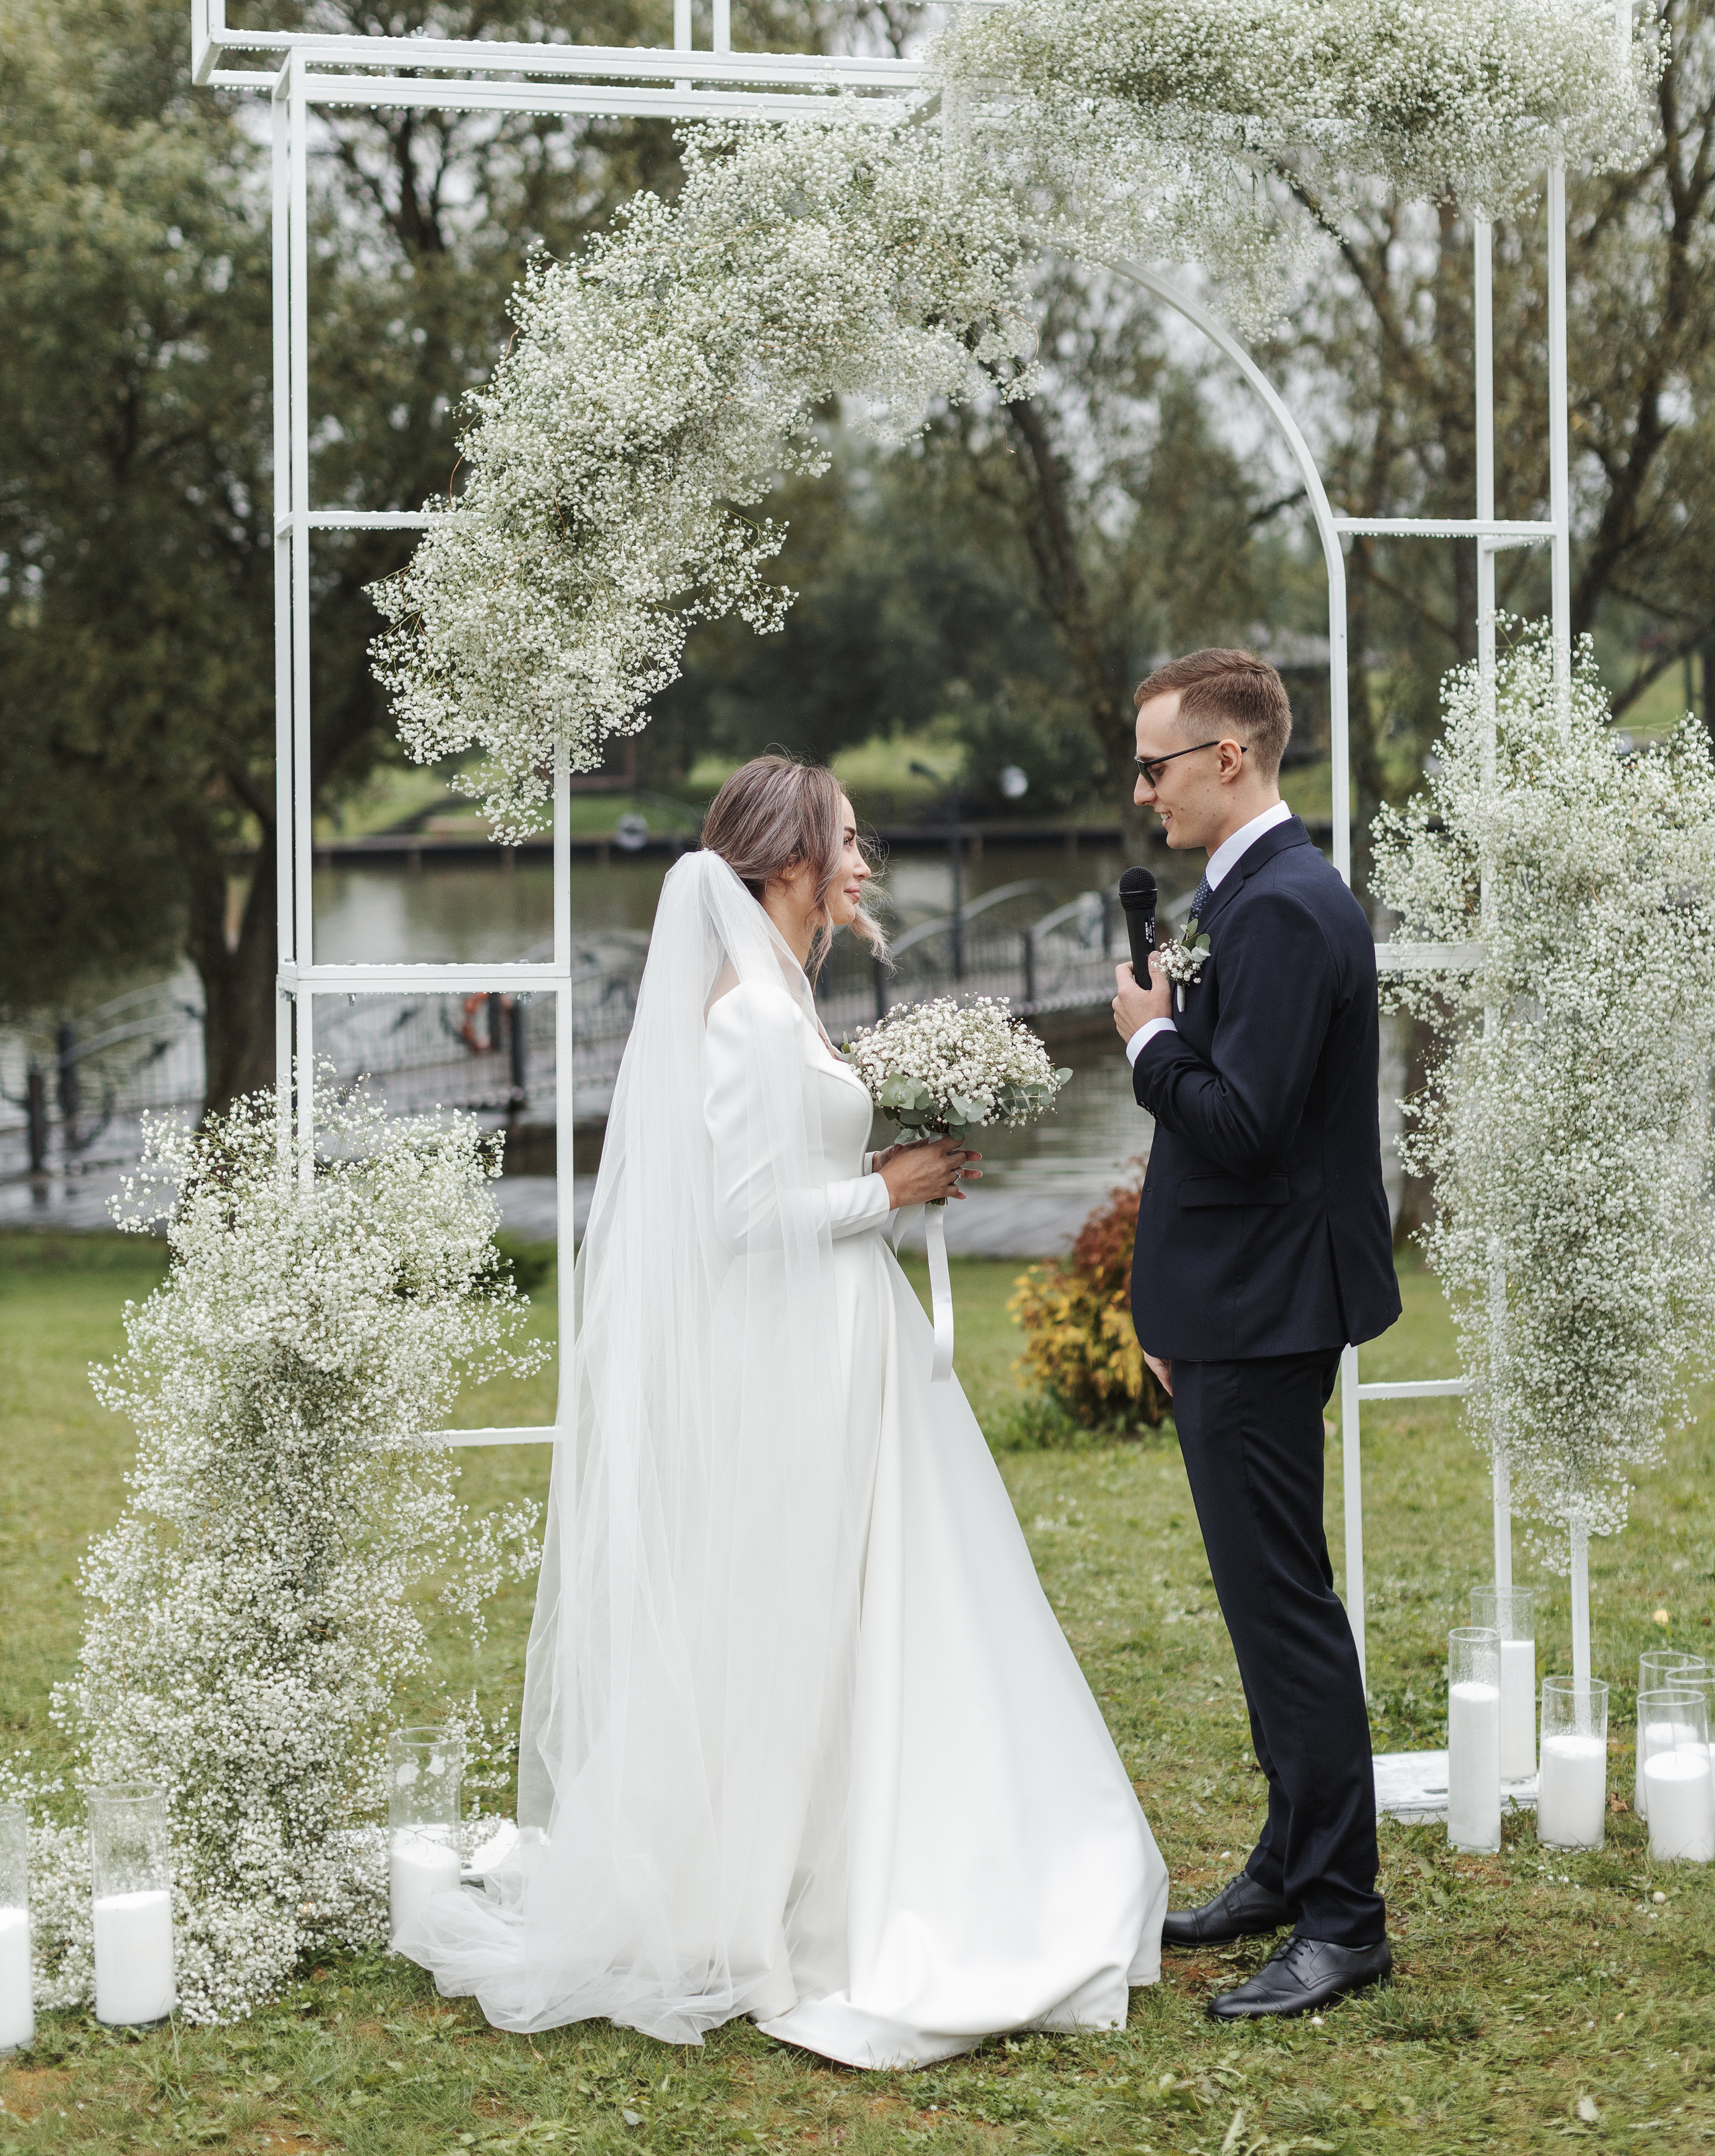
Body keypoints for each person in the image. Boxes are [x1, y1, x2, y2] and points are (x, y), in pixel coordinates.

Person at [414, 754, 1166, 2065]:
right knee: (800, 1606)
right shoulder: (748, 1016)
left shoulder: (777, 995)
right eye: (849, 842)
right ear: (786, 861)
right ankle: (799, 1886)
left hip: (844, 1336)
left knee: (877, 1603)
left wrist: (889, 1168)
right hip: (806, 1345)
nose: (864, 865)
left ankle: (886, 1840)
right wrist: (894, 1187)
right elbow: (743, 1218)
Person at [1111, 649, 1400, 2022]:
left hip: (1262, 1310)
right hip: (1229, 1303)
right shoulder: (1254, 896)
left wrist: (1146, 1045)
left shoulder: (1285, 909)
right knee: (1263, 1601)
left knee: (1282, 1614)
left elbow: (1241, 1124)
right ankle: (1288, 1867)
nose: (1140, 789)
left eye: (1155, 764)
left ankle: (1342, 1919)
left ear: (1229, 756)